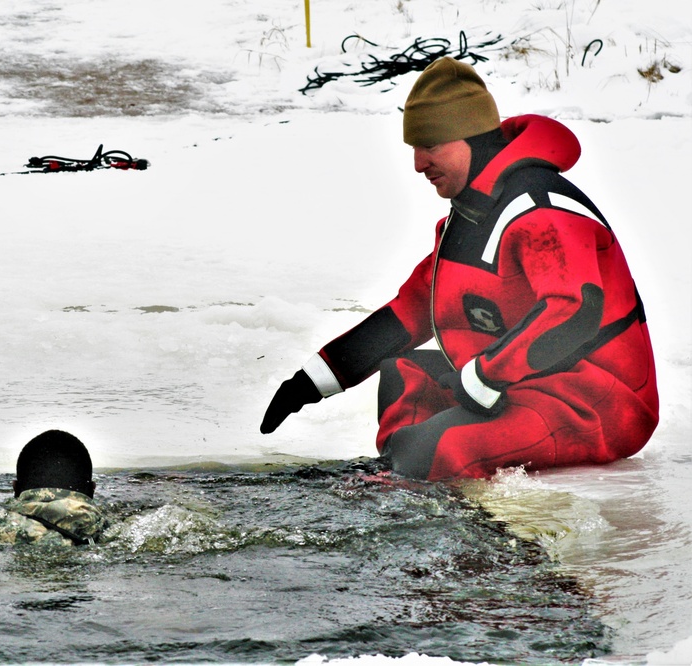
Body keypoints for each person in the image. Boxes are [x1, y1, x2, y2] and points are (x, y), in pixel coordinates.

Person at [260, 57, 659, 481]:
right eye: (414, 147)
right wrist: (310, 382)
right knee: (403, 373)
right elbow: (411, 312)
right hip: (525, 385)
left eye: (430, 145)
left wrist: (485, 377)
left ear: (472, 138)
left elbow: (574, 310)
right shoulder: (468, 217)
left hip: (596, 401)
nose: (417, 163)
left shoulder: (541, 209)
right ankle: (398, 476)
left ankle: (409, 481)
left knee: (441, 446)